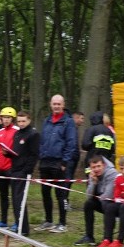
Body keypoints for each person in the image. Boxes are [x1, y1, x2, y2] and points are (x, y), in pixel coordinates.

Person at [36, 95, 76, 233]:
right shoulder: (46, 120)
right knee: (45, 192)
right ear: (50, 104)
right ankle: (48, 220)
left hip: (59, 162)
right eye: (54, 104)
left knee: (61, 194)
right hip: (45, 161)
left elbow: (71, 143)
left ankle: (62, 222)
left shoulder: (68, 122)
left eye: (59, 104)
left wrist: (65, 161)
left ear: (63, 105)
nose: (56, 106)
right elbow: (42, 140)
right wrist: (41, 155)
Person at [74, 155, 118, 247]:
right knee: (88, 204)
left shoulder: (112, 173)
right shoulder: (93, 174)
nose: (96, 169)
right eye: (94, 167)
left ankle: (107, 238)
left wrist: (98, 196)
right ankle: (89, 236)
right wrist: (94, 182)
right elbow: (89, 196)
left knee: (107, 205)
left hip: (114, 203)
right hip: (101, 200)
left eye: (99, 166)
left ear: (104, 165)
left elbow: (108, 195)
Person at [8, 111, 40, 236]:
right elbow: (16, 152)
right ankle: (18, 225)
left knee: (20, 199)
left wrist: (26, 171)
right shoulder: (16, 133)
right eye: (19, 121)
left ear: (29, 120)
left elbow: (34, 155)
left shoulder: (33, 134)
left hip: (23, 171)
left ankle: (24, 229)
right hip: (14, 169)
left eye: (23, 121)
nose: (21, 124)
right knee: (15, 200)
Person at [0, 107, 19, 226]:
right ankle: (3, 220)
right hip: (0, 169)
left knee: (15, 196)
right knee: (3, 196)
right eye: (4, 117)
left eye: (8, 118)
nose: (6, 120)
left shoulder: (17, 131)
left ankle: (17, 222)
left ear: (12, 119)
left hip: (12, 169)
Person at [66, 110, 85, 209]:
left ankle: (65, 200)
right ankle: (65, 201)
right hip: (69, 159)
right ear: (76, 118)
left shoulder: (75, 129)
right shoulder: (70, 128)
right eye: (81, 118)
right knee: (67, 180)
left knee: (69, 180)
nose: (82, 121)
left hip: (74, 158)